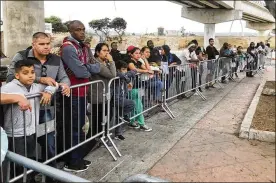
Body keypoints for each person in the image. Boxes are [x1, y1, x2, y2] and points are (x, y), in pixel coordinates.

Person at [6, 32, 71, 173]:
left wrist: (65, 86)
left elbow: (64, 78)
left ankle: (51, 174)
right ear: (33, 43)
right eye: (42, 44)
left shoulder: (56, 59)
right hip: (24, 110)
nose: (46, 47)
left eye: (48, 44)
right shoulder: (21, 56)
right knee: (23, 147)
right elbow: (11, 77)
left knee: (49, 143)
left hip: (46, 109)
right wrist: (41, 79)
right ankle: (23, 176)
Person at [1, 59, 57, 182]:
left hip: (31, 131)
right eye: (25, 72)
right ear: (17, 75)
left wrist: (48, 91)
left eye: (32, 72)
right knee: (18, 166)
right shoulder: (10, 87)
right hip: (15, 134)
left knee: (30, 160)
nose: (30, 75)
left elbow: (55, 84)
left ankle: (30, 179)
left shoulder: (36, 87)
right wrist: (16, 97)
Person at [60, 20, 101, 172]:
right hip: (74, 93)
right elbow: (81, 72)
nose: (82, 32)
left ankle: (76, 157)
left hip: (82, 91)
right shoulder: (69, 48)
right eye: (78, 30)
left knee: (79, 127)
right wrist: (88, 68)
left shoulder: (82, 46)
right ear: (71, 31)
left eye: (83, 29)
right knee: (75, 128)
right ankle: (72, 162)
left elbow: (97, 66)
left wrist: (87, 67)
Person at [87, 43, 116, 146]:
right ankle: (94, 140)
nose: (107, 53)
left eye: (107, 50)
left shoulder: (104, 62)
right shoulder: (97, 63)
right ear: (97, 52)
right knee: (97, 119)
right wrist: (112, 61)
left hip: (105, 95)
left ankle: (103, 136)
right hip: (98, 96)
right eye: (104, 51)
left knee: (107, 116)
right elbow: (112, 75)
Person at [127, 47, 152, 132]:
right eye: (136, 53)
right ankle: (141, 124)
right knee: (139, 106)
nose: (138, 55)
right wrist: (145, 71)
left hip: (136, 86)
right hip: (130, 87)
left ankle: (132, 121)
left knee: (135, 105)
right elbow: (134, 69)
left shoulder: (138, 62)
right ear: (131, 54)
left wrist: (145, 60)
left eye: (139, 53)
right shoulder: (129, 62)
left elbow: (148, 69)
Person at [112, 60, 136, 140]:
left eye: (126, 69)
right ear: (118, 69)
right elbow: (119, 74)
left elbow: (133, 71)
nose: (125, 71)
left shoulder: (124, 76)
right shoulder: (116, 76)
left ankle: (118, 133)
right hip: (116, 99)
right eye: (123, 69)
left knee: (119, 115)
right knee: (131, 103)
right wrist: (127, 79)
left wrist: (127, 75)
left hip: (122, 98)